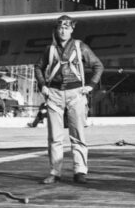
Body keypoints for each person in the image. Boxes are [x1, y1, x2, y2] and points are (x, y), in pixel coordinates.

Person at [34, 14, 103, 184]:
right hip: (54, 94)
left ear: (72, 29)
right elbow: (38, 67)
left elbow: (98, 66)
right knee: (55, 137)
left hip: (75, 94)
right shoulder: (49, 49)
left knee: (77, 135)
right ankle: (54, 172)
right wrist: (43, 85)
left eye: (66, 27)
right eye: (60, 27)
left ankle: (80, 171)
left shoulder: (81, 47)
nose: (63, 31)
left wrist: (91, 86)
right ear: (56, 30)